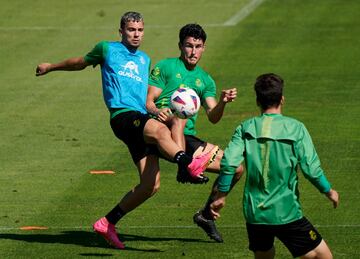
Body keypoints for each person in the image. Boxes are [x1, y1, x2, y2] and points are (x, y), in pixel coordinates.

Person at [35, 12, 214, 250]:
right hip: (122, 115)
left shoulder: (144, 59)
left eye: (140, 30)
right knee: (162, 132)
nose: (136, 34)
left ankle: (107, 223)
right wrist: (51, 66)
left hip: (140, 118)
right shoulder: (107, 49)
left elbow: (148, 98)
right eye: (131, 30)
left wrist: (155, 110)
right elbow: (80, 62)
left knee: (150, 185)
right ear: (121, 31)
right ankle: (187, 163)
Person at [210, 73, 340, 258]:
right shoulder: (296, 128)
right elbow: (310, 168)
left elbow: (230, 162)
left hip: (255, 213)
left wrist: (221, 195)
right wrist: (328, 191)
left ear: (257, 101)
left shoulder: (245, 128)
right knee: (322, 256)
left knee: (264, 254)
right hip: (286, 211)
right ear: (282, 99)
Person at [146, 23, 244, 243]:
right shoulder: (166, 67)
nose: (193, 52)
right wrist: (158, 111)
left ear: (204, 48)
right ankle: (185, 166)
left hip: (187, 139)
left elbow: (213, 116)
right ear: (180, 46)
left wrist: (222, 102)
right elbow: (148, 101)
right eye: (189, 46)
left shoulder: (205, 80)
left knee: (236, 167)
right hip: (161, 130)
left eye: (197, 46)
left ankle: (206, 215)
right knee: (178, 120)